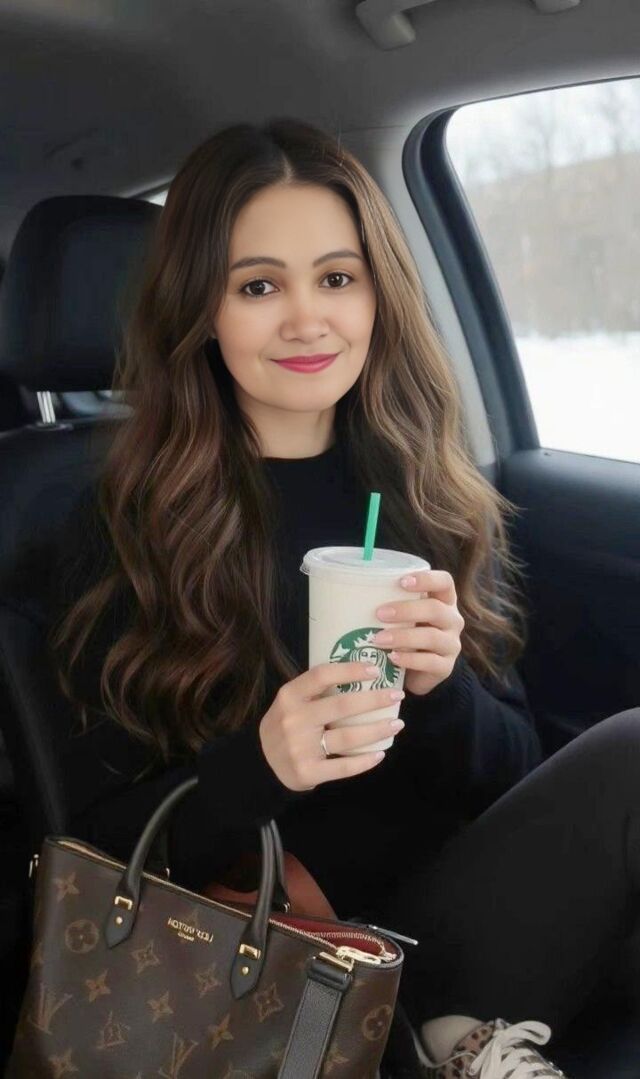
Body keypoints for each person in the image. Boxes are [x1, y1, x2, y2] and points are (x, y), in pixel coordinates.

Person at [46, 118, 640, 1079]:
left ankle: (451, 1037)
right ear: (200, 310)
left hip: (457, 921)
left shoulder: (429, 494)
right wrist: (258, 767)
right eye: (257, 286)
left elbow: (517, 775)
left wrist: (441, 691)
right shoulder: (121, 526)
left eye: (336, 277)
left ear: (377, 294)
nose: (307, 320)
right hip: (266, 963)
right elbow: (90, 846)